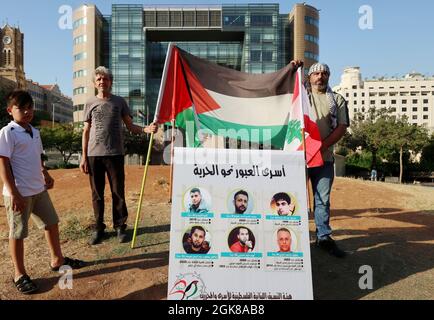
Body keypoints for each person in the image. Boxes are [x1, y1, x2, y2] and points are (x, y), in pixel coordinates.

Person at [0, 91, 85, 294]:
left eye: (30, 107)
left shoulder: (34, 131)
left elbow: (38, 157)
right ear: (10, 110)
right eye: (22, 108)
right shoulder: (7, 132)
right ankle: (19, 274)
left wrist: (45, 173)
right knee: (18, 233)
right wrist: (13, 193)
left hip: (38, 189)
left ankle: (58, 260)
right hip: (19, 193)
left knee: (51, 223)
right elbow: (3, 163)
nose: (28, 111)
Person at [80, 66, 158, 245]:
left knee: (118, 192)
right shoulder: (89, 103)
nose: (102, 82)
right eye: (99, 79)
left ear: (111, 82)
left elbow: (130, 126)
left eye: (105, 79)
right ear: (94, 83)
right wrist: (83, 157)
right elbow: (86, 131)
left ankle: (120, 227)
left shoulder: (119, 102)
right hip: (93, 155)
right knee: (97, 194)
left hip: (115, 154)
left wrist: (146, 129)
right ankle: (99, 229)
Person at [305, 63, 350, 258]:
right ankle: (294, 234)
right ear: (309, 77)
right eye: (316, 73)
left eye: (324, 73)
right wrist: (291, 69)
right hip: (300, 158)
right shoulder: (301, 97)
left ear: (329, 76)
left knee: (322, 200)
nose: (320, 77)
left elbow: (341, 127)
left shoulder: (337, 99)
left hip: (324, 158)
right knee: (294, 198)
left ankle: (323, 237)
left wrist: (320, 147)